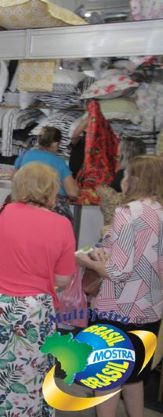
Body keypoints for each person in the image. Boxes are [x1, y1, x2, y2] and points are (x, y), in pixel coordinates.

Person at [0, 162, 76, 416]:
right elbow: (64, 279)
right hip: (32, 313)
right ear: (51, 189)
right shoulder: (62, 225)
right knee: (27, 374)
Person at [76, 155, 163, 417]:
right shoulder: (160, 212)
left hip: (117, 308)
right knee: (134, 377)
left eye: (125, 176)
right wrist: (104, 252)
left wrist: (82, 258)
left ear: (135, 179)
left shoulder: (128, 213)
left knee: (106, 379)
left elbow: (117, 271)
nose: (121, 180)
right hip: (150, 309)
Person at [15, 126, 80, 220]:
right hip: (51, 207)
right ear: (55, 144)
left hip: (25, 203)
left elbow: (15, 177)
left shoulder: (26, 154)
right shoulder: (58, 161)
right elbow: (73, 193)